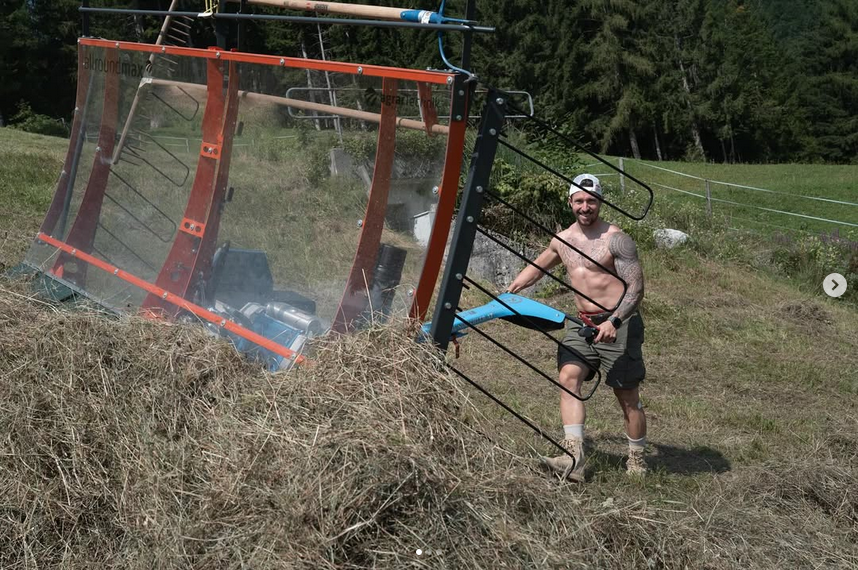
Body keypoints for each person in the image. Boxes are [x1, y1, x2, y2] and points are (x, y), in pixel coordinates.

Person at [506, 173, 647, 481]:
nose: (586, 207)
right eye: (580, 201)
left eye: (591, 201)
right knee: (568, 377)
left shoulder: (616, 239)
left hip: (618, 324)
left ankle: (636, 460)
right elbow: (539, 266)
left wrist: (615, 320)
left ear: (600, 202)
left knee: (627, 397)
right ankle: (575, 459)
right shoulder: (563, 240)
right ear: (570, 202)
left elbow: (636, 288)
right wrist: (511, 288)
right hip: (581, 324)